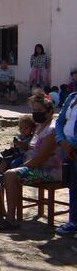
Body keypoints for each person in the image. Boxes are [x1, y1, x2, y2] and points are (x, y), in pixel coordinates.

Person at [0, 91, 63, 231]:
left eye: (39, 110)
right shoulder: (39, 126)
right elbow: (32, 148)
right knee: (3, 167)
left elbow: (41, 157)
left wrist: (21, 167)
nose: (35, 113)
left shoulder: (52, 129)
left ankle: (10, 219)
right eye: (34, 110)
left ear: (50, 111)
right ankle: (1, 208)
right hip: (34, 166)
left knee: (11, 174)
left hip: (48, 170)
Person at [55, 89, 77, 237]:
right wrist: (61, 140)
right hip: (67, 148)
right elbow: (60, 121)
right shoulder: (72, 97)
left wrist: (73, 144)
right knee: (74, 185)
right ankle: (73, 221)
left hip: (74, 147)